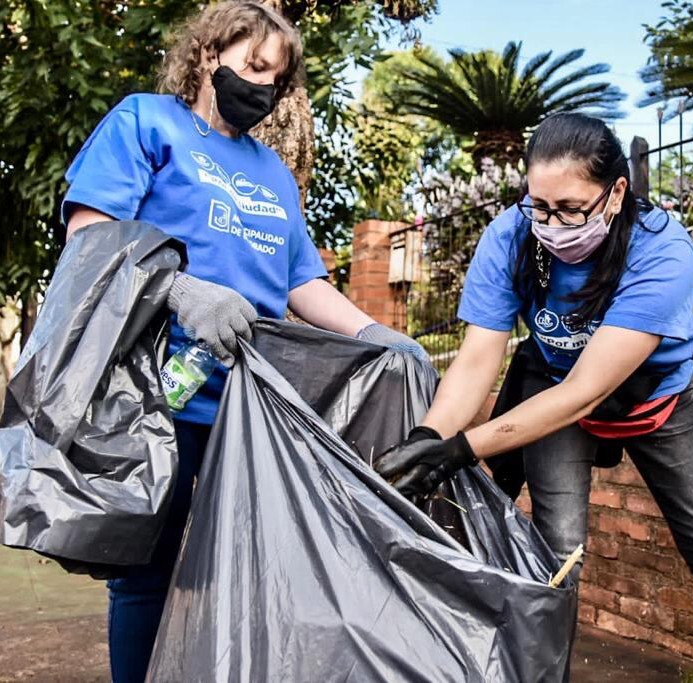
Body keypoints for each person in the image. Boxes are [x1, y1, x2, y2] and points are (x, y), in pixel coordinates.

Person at [61, 2, 426, 680]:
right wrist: (178, 290)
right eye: (253, 66)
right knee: (147, 574)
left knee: (254, 576)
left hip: (250, 410)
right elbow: (90, 234)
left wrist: (375, 332)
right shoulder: (146, 123)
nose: (261, 86)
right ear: (206, 54)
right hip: (158, 396)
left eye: (276, 79)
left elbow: (300, 282)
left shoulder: (272, 174)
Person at [375, 113, 693, 683]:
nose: (550, 223)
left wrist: (461, 450)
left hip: (655, 398)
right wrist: (430, 437)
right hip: (552, 383)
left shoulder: (662, 249)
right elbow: (475, 360)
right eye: (539, 205)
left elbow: (587, 391)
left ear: (616, 192)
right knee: (560, 550)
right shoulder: (511, 236)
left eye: (570, 208)